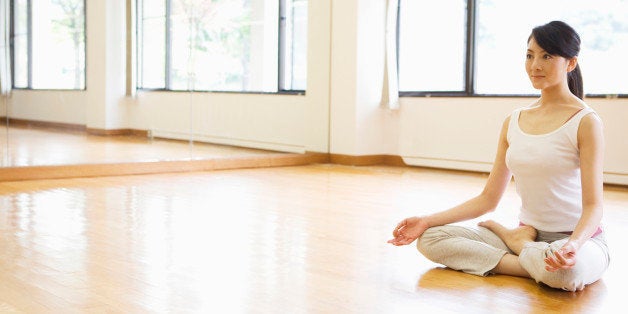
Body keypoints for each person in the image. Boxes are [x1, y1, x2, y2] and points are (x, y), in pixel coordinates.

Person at [387, 20, 610, 292]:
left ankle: (521, 248)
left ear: (571, 63)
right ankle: (528, 254)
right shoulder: (514, 120)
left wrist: (573, 245)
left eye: (547, 56)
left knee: (566, 275)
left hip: (578, 241)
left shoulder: (586, 121)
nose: (535, 65)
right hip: (529, 232)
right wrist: (426, 220)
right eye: (530, 55)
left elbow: (594, 207)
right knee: (431, 238)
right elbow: (487, 199)